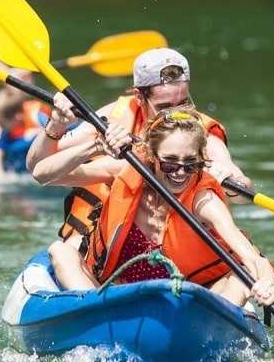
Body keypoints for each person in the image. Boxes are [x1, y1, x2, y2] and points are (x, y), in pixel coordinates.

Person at [34, 105, 274, 307]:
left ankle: (206, 331)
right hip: (115, 300)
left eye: (190, 163)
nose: (180, 172)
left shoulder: (202, 199)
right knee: (61, 250)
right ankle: (95, 317)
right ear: (152, 156)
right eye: (170, 163)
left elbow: (251, 257)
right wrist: (96, 146)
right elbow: (42, 174)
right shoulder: (127, 171)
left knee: (239, 278)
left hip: (185, 306)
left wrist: (267, 281)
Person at [27, 48, 253, 253]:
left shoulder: (201, 133)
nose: (174, 114)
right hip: (106, 234)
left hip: (175, 243)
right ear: (139, 96)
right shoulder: (111, 118)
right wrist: (56, 126)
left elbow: (241, 189)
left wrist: (234, 184)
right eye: (164, 107)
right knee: (68, 250)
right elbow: (38, 167)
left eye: (183, 103)